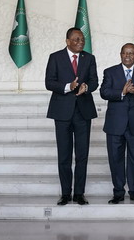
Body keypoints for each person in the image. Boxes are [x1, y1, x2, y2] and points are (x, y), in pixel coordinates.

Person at [45, 27, 99, 206]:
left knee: (82, 155)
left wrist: (86, 87)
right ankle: (66, 193)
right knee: (64, 155)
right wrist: (69, 86)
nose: (80, 42)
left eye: (82, 39)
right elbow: (49, 82)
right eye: (76, 39)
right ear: (67, 41)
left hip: (83, 112)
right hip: (62, 112)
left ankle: (79, 193)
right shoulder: (55, 57)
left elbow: (94, 81)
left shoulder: (89, 58)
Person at [100, 43, 134, 204]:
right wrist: (122, 92)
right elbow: (104, 92)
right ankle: (118, 192)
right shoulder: (110, 72)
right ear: (120, 54)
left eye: (131, 53)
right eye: (125, 53)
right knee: (115, 159)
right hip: (115, 124)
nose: (127, 56)